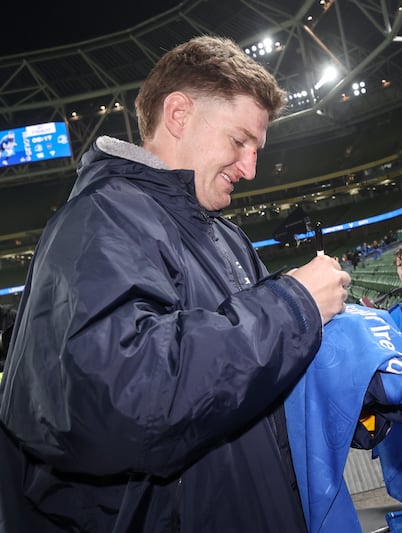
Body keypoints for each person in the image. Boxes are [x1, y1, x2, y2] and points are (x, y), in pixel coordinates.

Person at [0, 36, 350, 532]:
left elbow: (252, 394)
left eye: (257, 148)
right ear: (180, 113)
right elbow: (123, 401)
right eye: (239, 141)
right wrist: (294, 305)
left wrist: (359, 388)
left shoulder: (225, 235)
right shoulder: (100, 219)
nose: (251, 168)